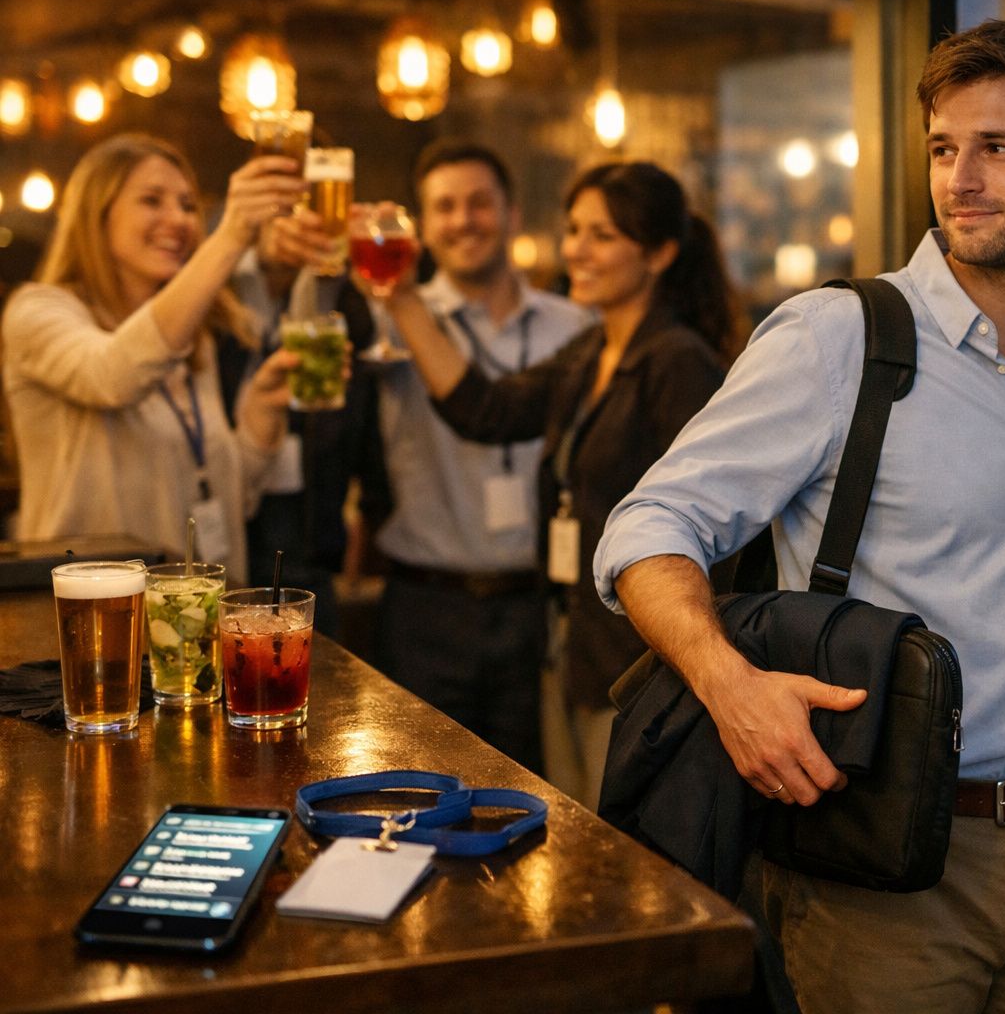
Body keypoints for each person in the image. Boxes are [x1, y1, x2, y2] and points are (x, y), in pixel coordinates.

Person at [593, 21, 1005, 1013]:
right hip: (881, 860)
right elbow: (648, 528)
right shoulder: (840, 336)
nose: (959, 177)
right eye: (943, 149)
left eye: (997, 148)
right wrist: (730, 685)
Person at [376, 161, 736, 807]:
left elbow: (713, 527)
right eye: (573, 230)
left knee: (623, 848)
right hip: (572, 648)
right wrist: (402, 298)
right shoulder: (591, 349)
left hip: (639, 657)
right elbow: (485, 412)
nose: (576, 250)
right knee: (573, 826)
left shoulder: (676, 361)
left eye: (601, 235)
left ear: (658, 253)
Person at [358, 140, 589, 772]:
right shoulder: (389, 324)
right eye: (445, 207)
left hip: (536, 610)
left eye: (480, 203)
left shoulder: (575, 328)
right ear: (424, 227)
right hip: (425, 609)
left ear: (513, 215)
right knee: (418, 796)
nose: (464, 220)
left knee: (532, 799)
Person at [1, 133, 305, 585]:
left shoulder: (191, 338)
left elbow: (226, 496)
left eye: (186, 205)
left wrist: (261, 411)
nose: (177, 219)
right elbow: (111, 375)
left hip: (193, 617)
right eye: (152, 200)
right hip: (93, 620)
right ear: (96, 214)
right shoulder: (39, 310)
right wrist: (233, 236)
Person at [221, 213, 378, 636]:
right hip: (226, 536)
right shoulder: (219, 287)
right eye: (286, 209)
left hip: (312, 538)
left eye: (314, 208)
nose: (302, 222)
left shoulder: (343, 298)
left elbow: (366, 423)